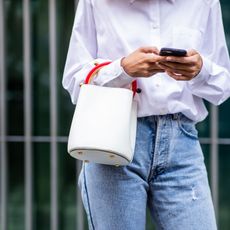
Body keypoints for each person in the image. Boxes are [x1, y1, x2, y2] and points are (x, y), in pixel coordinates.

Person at [63, 0, 230, 229]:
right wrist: (123, 69)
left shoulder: (202, 3)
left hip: (182, 144)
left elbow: (223, 86)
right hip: (112, 140)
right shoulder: (97, 3)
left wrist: (200, 70)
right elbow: (74, 81)